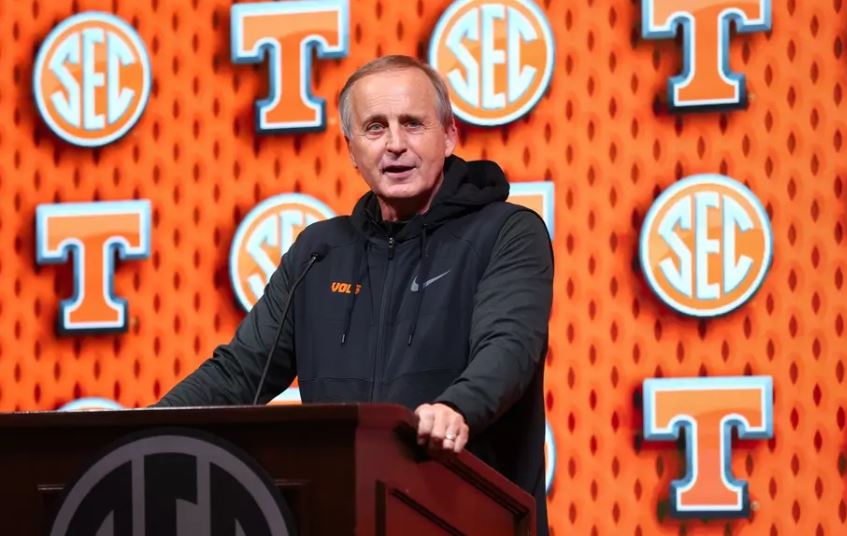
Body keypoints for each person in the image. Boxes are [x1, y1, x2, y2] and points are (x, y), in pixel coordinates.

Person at [156, 55, 553, 534]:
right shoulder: (319, 253)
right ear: (351, 149)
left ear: (449, 135)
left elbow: (508, 346)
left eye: (412, 124)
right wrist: (139, 428)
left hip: (465, 516)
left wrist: (456, 408)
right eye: (375, 127)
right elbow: (240, 372)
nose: (396, 145)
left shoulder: (507, 232)